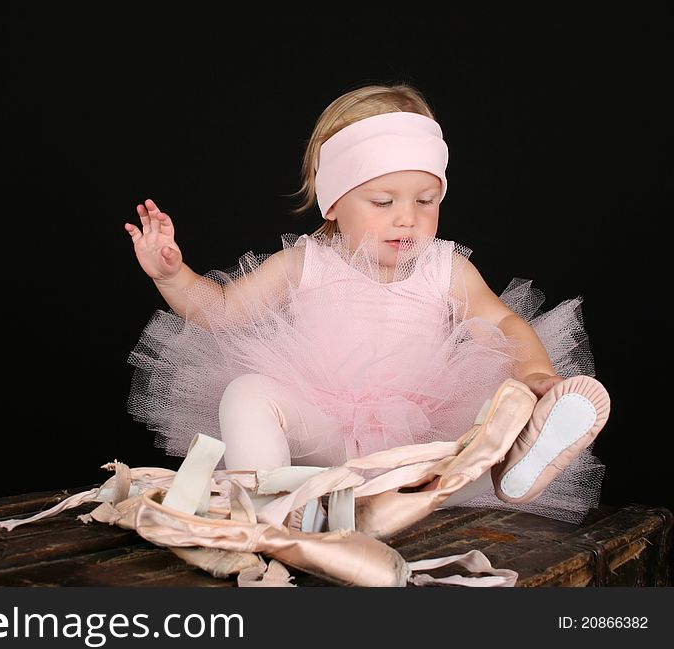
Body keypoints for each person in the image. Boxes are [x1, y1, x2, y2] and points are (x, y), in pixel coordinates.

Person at [122, 83, 609, 524]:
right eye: (384, 202)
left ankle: (515, 458)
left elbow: (505, 321)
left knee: (500, 399)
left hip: (418, 447)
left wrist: (537, 376)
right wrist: (173, 276)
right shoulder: (305, 263)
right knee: (246, 394)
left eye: (425, 201)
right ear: (333, 203)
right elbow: (224, 314)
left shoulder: (445, 268)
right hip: (323, 443)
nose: (408, 219)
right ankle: (272, 513)